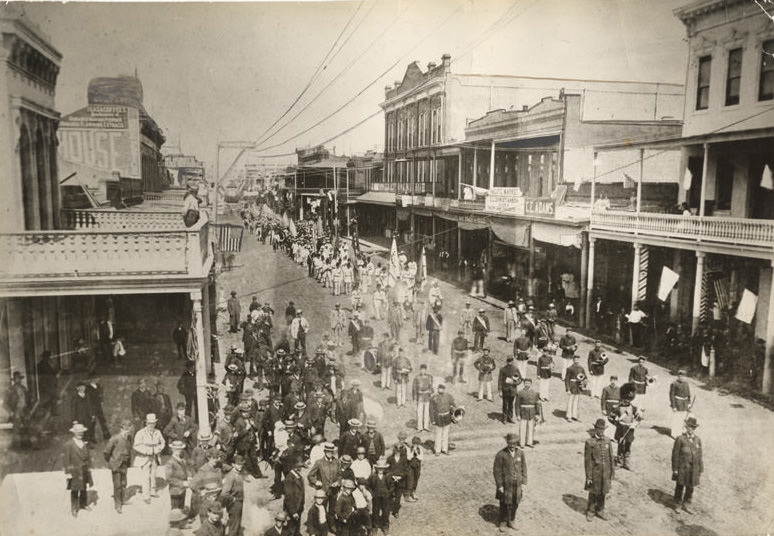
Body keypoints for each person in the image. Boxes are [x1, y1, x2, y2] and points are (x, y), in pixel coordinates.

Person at [493, 433, 528, 532]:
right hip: (506, 485)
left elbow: (524, 467)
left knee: (515, 502)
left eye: (514, 443)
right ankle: (503, 521)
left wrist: (524, 480)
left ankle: (511, 520)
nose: (512, 445)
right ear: (507, 443)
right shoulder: (501, 454)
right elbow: (497, 471)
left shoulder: (520, 453)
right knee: (504, 503)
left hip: (517, 484)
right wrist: (499, 485)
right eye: (510, 443)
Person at [584, 418, 615, 522]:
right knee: (593, 492)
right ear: (595, 429)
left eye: (603, 429)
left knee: (603, 491)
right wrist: (588, 476)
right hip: (595, 473)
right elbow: (588, 461)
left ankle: (600, 510)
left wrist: (612, 472)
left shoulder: (607, 441)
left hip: (605, 472)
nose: (601, 431)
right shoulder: (589, 442)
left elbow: (611, 457)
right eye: (599, 429)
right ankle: (591, 511)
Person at [671, 416, 703, 514]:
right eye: (689, 427)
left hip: (693, 469)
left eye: (693, 428)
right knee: (680, 486)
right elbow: (675, 455)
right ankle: (677, 504)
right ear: (686, 427)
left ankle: (687, 504)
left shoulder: (697, 440)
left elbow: (700, 455)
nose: (691, 429)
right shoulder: (680, 439)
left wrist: (700, 468)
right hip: (682, 468)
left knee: (690, 487)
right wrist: (675, 468)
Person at [133, 412, 166, 503]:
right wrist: (146, 450)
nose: (152, 425)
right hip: (144, 457)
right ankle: (146, 495)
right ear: (146, 423)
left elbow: (163, 443)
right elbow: (136, 445)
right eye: (150, 423)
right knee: (146, 476)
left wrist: (158, 449)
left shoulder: (158, 432)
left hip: (155, 456)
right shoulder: (140, 433)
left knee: (153, 475)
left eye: (153, 423)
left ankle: (153, 491)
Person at [609, 386, 642, 470]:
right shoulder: (617, 408)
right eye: (626, 399)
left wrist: (635, 424)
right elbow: (610, 417)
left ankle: (626, 462)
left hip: (630, 429)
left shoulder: (634, 408)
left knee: (628, 444)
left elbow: (638, 418)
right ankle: (619, 462)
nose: (627, 401)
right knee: (620, 444)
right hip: (621, 428)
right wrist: (617, 423)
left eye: (629, 399)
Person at [63, 422, 93, 518]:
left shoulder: (84, 443)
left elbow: (87, 457)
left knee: (84, 488)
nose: (80, 434)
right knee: (75, 490)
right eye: (78, 432)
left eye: (82, 432)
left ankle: (83, 504)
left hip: (84, 469)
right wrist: (68, 473)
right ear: (74, 433)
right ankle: (74, 508)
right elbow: (66, 460)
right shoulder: (69, 445)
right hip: (74, 471)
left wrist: (89, 468)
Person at [104, 419, 133, 513]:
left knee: (124, 483)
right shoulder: (115, 439)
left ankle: (123, 499)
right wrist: (111, 462)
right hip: (116, 465)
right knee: (117, 485)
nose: (127, 432)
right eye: (125, 430)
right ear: (121, 429)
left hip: (124, 464)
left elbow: (129, 450)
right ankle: (118, 504)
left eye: (128, 431)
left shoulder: (129, 438)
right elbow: (106, 452)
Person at [5, 370, 31, 449]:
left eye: (19, 378)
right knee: (16, 430)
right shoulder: (10, 390)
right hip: (16, 411)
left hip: (24, 410)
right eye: (16, 378)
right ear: (14, 380)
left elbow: (28, 400)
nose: (18, 380)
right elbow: (4, 404)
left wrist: (28, 409)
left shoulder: (24, 389)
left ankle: (26, 446)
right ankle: (16, 447)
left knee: (26, 428)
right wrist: (11, 412)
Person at [222, 454, 246, 536]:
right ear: (233, 464)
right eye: (238, 464)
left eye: (242, 464)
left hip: (239, 502)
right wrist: (233, 499)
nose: (241, 466)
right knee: (234, 527)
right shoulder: (231, 476)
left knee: (237, 525)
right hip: (234, 504)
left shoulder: (238, 473)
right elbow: (224, 493)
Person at [515, 378, 543, 448]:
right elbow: (517, 405)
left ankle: (529, 442)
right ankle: (522, 443)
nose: (527, 384)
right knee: (523, 428)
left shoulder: (535, 393)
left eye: (528, 383)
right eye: (526, 383)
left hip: (532, 412)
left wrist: (537, 414)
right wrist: (518, 415)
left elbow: (537, 404)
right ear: (524, 384)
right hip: (523, 412)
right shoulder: (519, 393)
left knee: (531, 428)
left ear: (531, 384)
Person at [429, 384, 455, 456]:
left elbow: (453, 405)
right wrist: (432, 420)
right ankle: (437, 450)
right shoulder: (434, 398)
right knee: (438, 435)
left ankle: (444, 449)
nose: (441, 390)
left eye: (442, 389)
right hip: (438, 418)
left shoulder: (449, 396)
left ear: (444, 389)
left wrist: (453, 413)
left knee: (445, 435)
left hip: (447, 417)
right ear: (437, 389)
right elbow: (431, 409)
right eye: (439, 389)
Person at [166, 440, 191, 510]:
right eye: (176, 449)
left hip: (182, 490)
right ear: (172, 450)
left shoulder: (182, 460)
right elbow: (168, 479)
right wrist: (182, 483)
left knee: (181, 508)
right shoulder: (170, 463)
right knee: (175, 510)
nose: (178, 451)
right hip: (175, 491)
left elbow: (186, 469)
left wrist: (189, 476)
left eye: (180, 449)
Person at [284, 456, 306, 535]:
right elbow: (288, 497)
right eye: (299, 467)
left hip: (298, 507)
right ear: (294, 467)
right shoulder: (289, 478)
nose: (301, 468)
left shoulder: (297, 476)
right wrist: (293, 512)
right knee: (291, 530)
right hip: (292, 509)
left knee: (296, 527)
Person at [669, 369, 692, 438]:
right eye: (680, 376)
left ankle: (682, 432)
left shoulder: (686, 383)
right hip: (677, 403)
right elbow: (671, 395)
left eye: (684, 376)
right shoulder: (674, 384)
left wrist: (689, 403)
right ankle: (675, 434)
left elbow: (688, 394)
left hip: (685, 403)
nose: (682, 378)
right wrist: (673, 406)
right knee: (676, 418)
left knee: (684, 418)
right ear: (678, 376)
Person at [498, 357, 521, 424]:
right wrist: (500, 390)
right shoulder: (502, 369)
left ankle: (510, 418)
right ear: (506, 361)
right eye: (508, 361)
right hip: (505, 389)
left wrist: (514, 383)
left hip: (513, 389)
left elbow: (520, 379)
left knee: (511, 405)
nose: (509, 363)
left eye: (511, 361)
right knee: (505, 404)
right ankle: (504, 418)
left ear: (512, 361)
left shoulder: (516, 369)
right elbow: (500, 380)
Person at [412, 364, 433, 432]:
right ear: (420, 370)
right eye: (421, 370)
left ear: (426, 370)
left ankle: (426, 426)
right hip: (420, 397)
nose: (423, 371)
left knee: (427, 412)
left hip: (427, 397)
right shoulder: (417, 378)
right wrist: (415, 398)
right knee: (419, 412)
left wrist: (429, 391)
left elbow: (431, 388)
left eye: (424, 370)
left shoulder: (429, 377)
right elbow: (414, 389)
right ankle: (419, 427)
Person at [565, 355, 586, 422]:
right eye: (575, 359)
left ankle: (575, 415)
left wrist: (584, 384)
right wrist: (568, 389)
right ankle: (569, 416)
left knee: (577, 402)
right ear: (573, 360)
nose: (576, 361)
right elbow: (567, 379)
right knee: (570, 401)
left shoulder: (581, 368)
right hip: (572, 385)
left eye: (578, 359)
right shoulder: (570, 368)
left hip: (578, 386)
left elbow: (585, 377)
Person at [406, 436, 423, 501]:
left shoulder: (420, 449)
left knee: (416, 479)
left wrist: (416, 453)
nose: (415, 445)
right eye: (414, 444)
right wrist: (413, 451)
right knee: (410, 480)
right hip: (410, 467)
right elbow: (409, 458)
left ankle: (413, 492)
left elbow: (421, 458)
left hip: (417, 467)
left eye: (417, 444)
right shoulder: (409, 449)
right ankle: (408, 495)